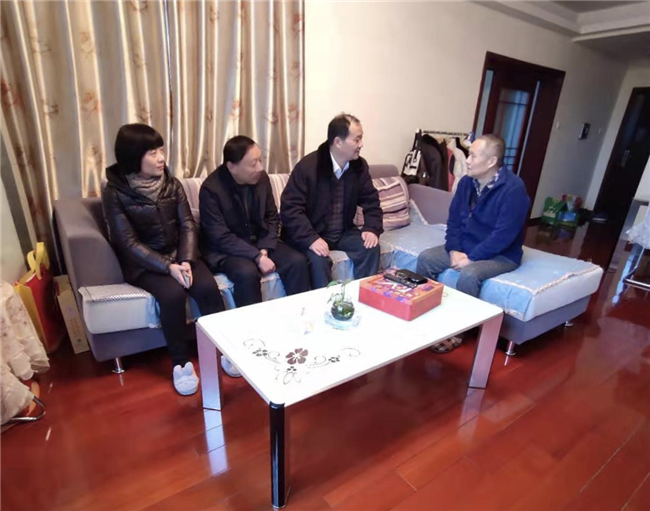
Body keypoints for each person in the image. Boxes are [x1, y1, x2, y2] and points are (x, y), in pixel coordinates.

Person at [102, 123, 225, 395]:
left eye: (161, 150)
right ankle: (181, 363)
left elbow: (187, 225)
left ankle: (224, 347)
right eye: (152, 153)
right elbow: (127, 242)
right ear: (133, 156)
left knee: (207, 287)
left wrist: (186, 260)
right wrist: (167, 267)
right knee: (171, 296)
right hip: (145, 263)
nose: (161, 158)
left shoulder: (172, 183)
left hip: (180, 255)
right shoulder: (114, 193)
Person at [416, 134, 530, 353]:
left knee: (469, 274)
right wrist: (454, 249)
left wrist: (472, 258)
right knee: (426, 258)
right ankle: (424, 313)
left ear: (491, 161)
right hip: (466, 246)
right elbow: (454, 221)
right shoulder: (467, 182)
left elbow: (503, 235)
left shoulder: (514, 189)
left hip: (502, 254)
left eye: (473, 156)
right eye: (468, 154)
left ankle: (458, 330)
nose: (467, 161)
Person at [199, 135, 310, 307]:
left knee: (297, 262)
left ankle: (299, 314)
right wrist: (256, 256)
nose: (260, 168)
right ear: (232, 167)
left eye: (260, 160)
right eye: (253, 164)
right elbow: (220, 236)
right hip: (227, 250)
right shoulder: (211, 189)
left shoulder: (262, 179)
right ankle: (251, 323)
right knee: (247, 273)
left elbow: (272, 217)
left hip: (260, 241)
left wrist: (265, 248)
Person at [280, 113, 383, 288]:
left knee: (370, 248)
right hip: (313, 233)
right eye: (357, 140)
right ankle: (326, 301)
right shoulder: (308, 167)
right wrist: (311, 239)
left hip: (343, 232)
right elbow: (290, 209)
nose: (361, 144)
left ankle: (364, 295)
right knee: (318, 260)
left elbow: (371, 200)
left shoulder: (359, 166)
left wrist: (371, 228)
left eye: (361, 138)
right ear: (338, 142)